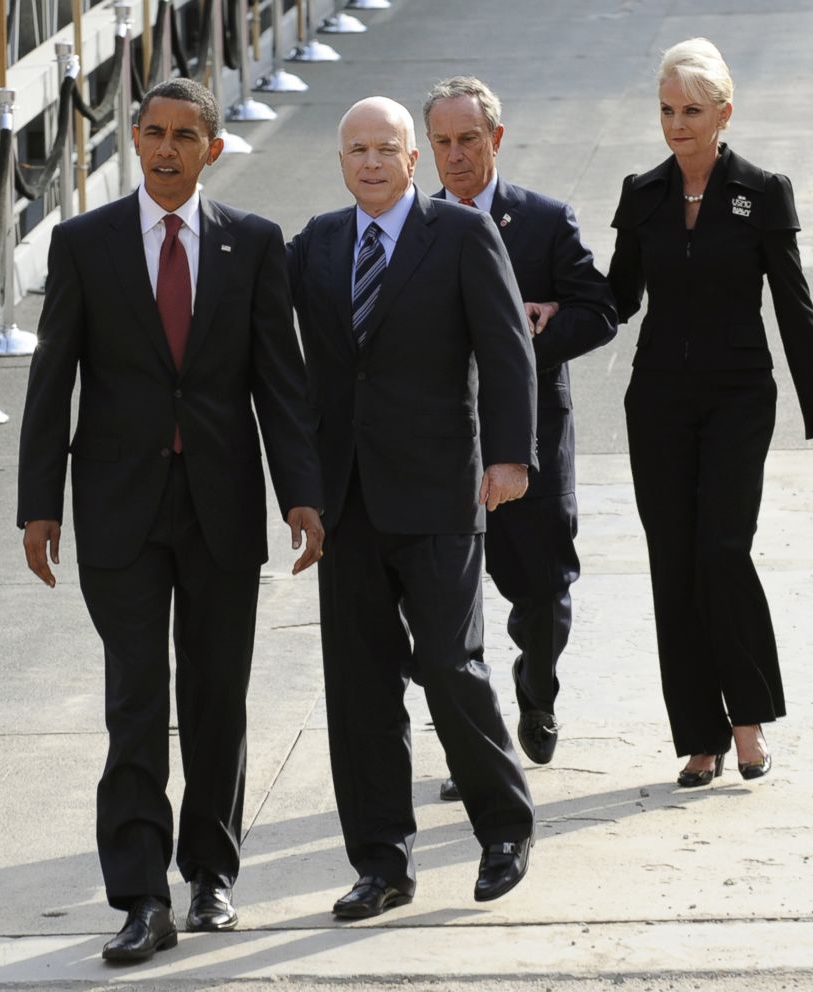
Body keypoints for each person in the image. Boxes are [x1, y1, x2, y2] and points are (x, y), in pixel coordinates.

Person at [17, 78, 324, 962]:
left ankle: (211, 878)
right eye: (150, 131)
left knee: (217, 699)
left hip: (222, 507)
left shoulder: (254, 245)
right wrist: (39, 503)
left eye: (184, 135)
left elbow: (281, 381)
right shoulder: (85, 243)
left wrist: (299, 491)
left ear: (211, 149)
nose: (164, 149)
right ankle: (142, 897)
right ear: (133, 137)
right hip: (119, 511)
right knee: (135, 703)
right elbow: (52, 383)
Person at [288, 96, 536, 918]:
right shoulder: (318, 243)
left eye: (385, 148)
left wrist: (508, 457)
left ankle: (502, 828)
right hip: (347, 502)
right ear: (341, 160)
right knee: (358, 688)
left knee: (448, 666)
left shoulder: (461, 234)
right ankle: (382, 863)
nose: (369, 162)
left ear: (412, 160)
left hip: (437, 492)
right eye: (355, 148)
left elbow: (505, 350)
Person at [607, 38, 813, 787]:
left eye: (692, 111)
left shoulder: (761, 190)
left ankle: (747, 720)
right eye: (667, 110)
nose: (676, 125)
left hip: (740, 399)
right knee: (671, 562)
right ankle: (699, 737)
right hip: (657, 404)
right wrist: (542, 305)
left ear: (723, 113)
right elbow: (616, 299)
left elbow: (794, 308)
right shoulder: (640, 193)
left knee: (719, 551)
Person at [422, 77, 617, 802]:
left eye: (467, 139)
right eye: (441, 143)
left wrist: (541, 324)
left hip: (532, 439)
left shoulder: (541, 221)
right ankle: (474, 753)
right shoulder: (415, 224)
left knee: (543, 595)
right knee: (447, 612)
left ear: (495, 139)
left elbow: (600, 312)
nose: (455, 156)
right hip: (446, 449)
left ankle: (536, 691)